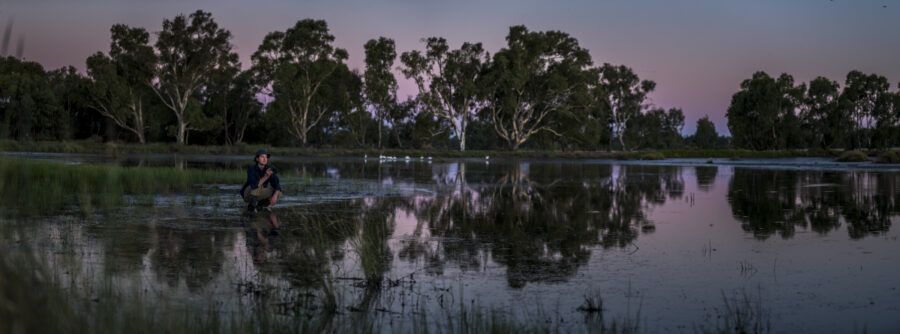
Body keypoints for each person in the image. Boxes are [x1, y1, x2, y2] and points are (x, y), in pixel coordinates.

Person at [241, 149, 282, 213]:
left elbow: (277, 185)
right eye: (262, 157)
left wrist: (275, 196)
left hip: (259, 193)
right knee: (258, 186)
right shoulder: (251, 169)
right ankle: (251, 209)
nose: (264, 159)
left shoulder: (269, 169)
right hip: (248, 194)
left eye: (266, 157)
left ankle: (260, 206)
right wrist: (266, 176)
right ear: (257, 159)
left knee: (278, 192)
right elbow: (254, 185)